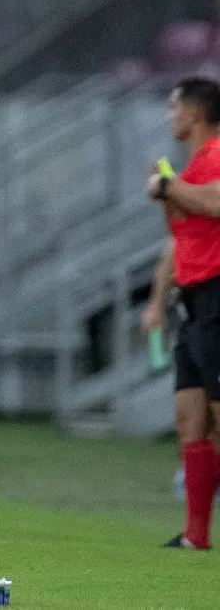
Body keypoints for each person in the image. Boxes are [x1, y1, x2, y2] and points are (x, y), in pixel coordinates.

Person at [144, 77, 220, 549]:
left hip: (219, 298)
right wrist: (156, 301)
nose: (169, 117)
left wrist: (168, 185)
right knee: (188, 417)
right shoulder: (191, 169)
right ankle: (196, 535)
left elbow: (216, 204)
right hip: (193, 305)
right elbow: (180, 238)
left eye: (173, 108)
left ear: (194, 112)